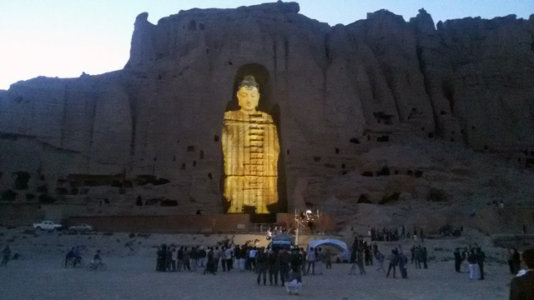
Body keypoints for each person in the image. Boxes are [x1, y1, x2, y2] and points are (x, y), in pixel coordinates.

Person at [222, 75, 280, 214]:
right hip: (238, 162)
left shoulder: (266, 118)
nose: (249, 100)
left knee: (266, 170)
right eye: (244, 95)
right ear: (238, 96)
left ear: (258, 97)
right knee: (235, 170)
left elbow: (273, 145)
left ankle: (261, 204)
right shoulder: (230, 117)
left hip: (259, 165)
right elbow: (226, 142)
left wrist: (265, 156)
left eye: (253, 96)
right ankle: (236, 202)